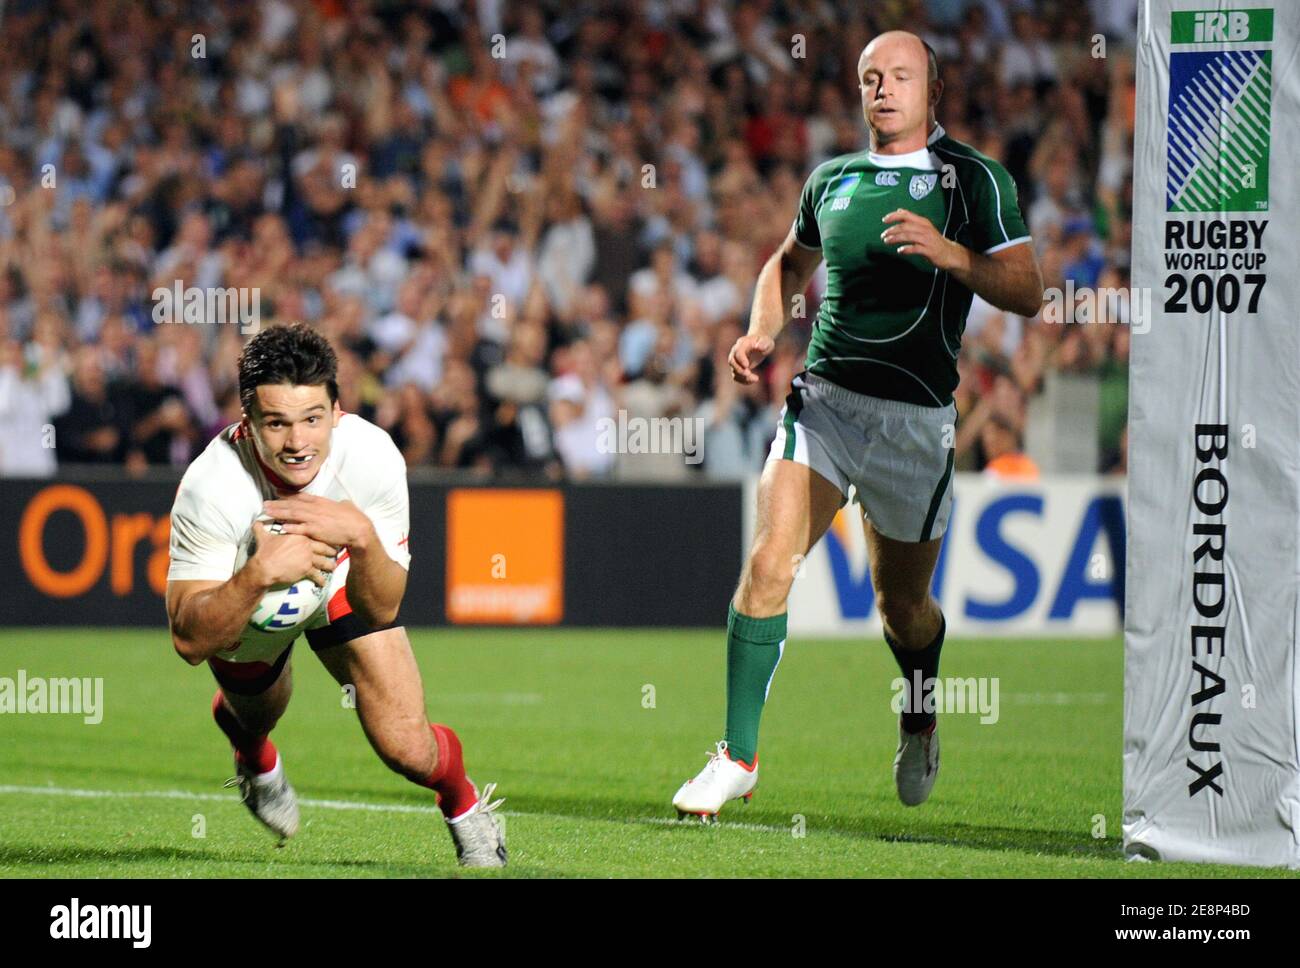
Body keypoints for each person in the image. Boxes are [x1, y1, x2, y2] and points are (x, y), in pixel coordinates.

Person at [672, 31, 1043, 820]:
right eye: (871, 77)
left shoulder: (975, 182)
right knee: (770, 563)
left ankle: (918, 716)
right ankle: (737, 756)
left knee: (901, 609)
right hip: (827, 404)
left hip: (917, 424)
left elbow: (1028, 289)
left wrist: (953, 255)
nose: (882, 89)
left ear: (932, 91)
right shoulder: (832, 179)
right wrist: (762, 328)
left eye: (900, 76)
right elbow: (786, 263)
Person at [165, 323, 505, 867]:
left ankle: (464, 805)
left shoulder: (371, 456)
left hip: (342, 581)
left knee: (406, 747)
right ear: (247, 424)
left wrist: (364, 539)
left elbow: (383, 607)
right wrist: (258, 575)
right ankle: (254, 756)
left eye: (312, 419)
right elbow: (188, 639)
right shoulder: (212, 486)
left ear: (337, 411)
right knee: (257, 714)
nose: (298, 443)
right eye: (276, 423)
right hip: (248, 596)